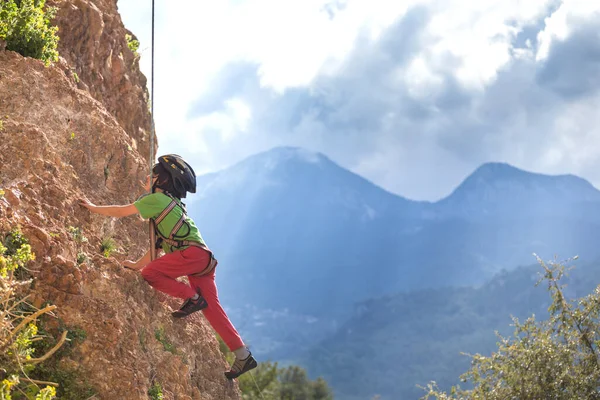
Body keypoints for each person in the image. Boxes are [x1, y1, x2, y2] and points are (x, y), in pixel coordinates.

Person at [79, 154, 257, 379]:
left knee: (151, 273)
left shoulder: (155, 200)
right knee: (212, 309)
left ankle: (192, 298)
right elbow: (158, 247)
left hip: (191, 255)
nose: (147, 177)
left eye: (152, 174)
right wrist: (135, 264)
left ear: (160, 181)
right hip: (202, 259)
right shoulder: (173, 206)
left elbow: (122, 211)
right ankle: (243, 356)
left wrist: (93, 208)